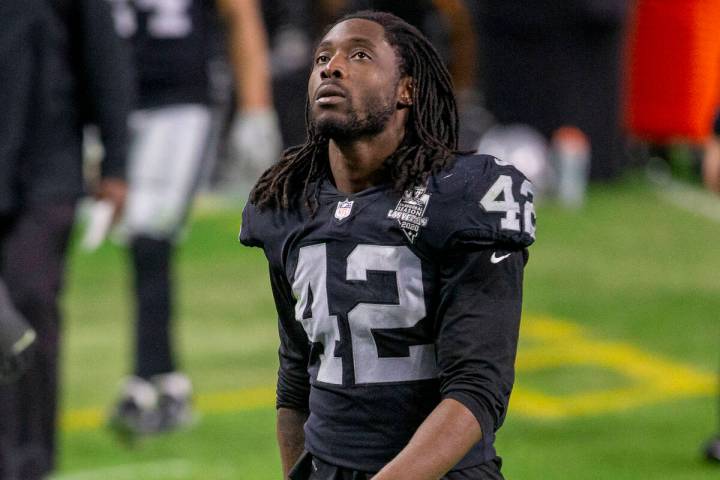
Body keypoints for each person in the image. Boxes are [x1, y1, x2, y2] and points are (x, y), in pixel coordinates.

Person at [240, 11, 535, 479]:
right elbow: (296, 374)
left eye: (359, 55)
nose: (331, 68)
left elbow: (478, 390)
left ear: (407, 90)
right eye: (322, 57)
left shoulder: (464, 196)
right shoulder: (289, 203)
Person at [107, 0, 280, 437]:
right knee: (136, 240)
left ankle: (148, 380)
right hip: (112, 100)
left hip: (178, 102)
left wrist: (256, 105)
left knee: (150, 238)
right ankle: (164, 380)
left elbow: (240, 13)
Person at [0, 0, 131, 477]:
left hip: (44, 166)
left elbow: (105, 58)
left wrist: (116, 163)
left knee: (29, 300)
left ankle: (28, 462)